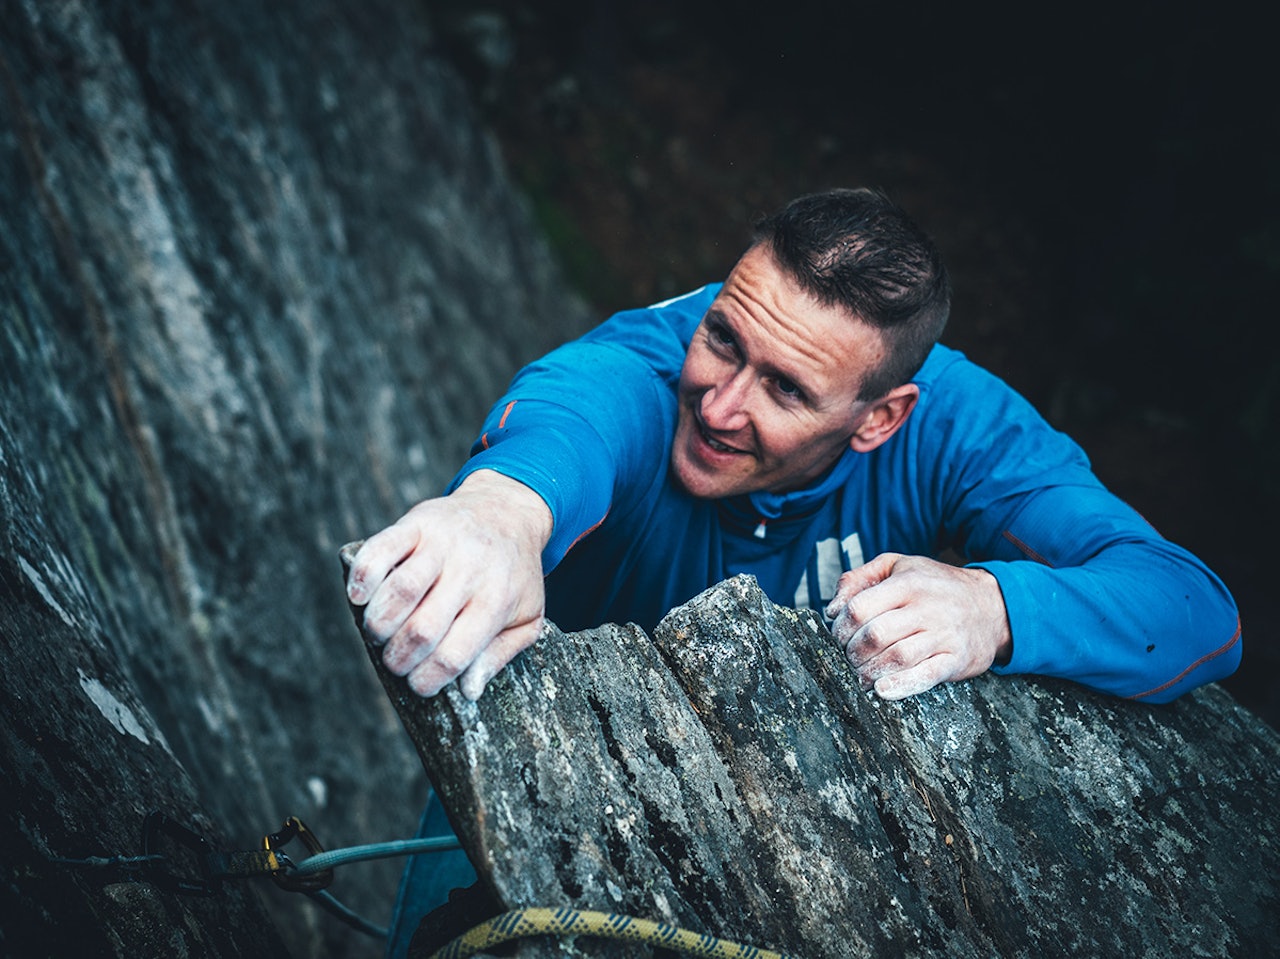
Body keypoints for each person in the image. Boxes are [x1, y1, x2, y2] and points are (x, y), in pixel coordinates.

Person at [346, 188, 1241, 955]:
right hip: (536, 769)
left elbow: (1195, 608)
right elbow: (574, 419)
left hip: (794, 814)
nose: (722, 403)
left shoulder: (958, 428)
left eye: (787, 390)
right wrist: (499, 514)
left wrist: (992, 604)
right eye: (725, 338)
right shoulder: (646, 368)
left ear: (879, 418)